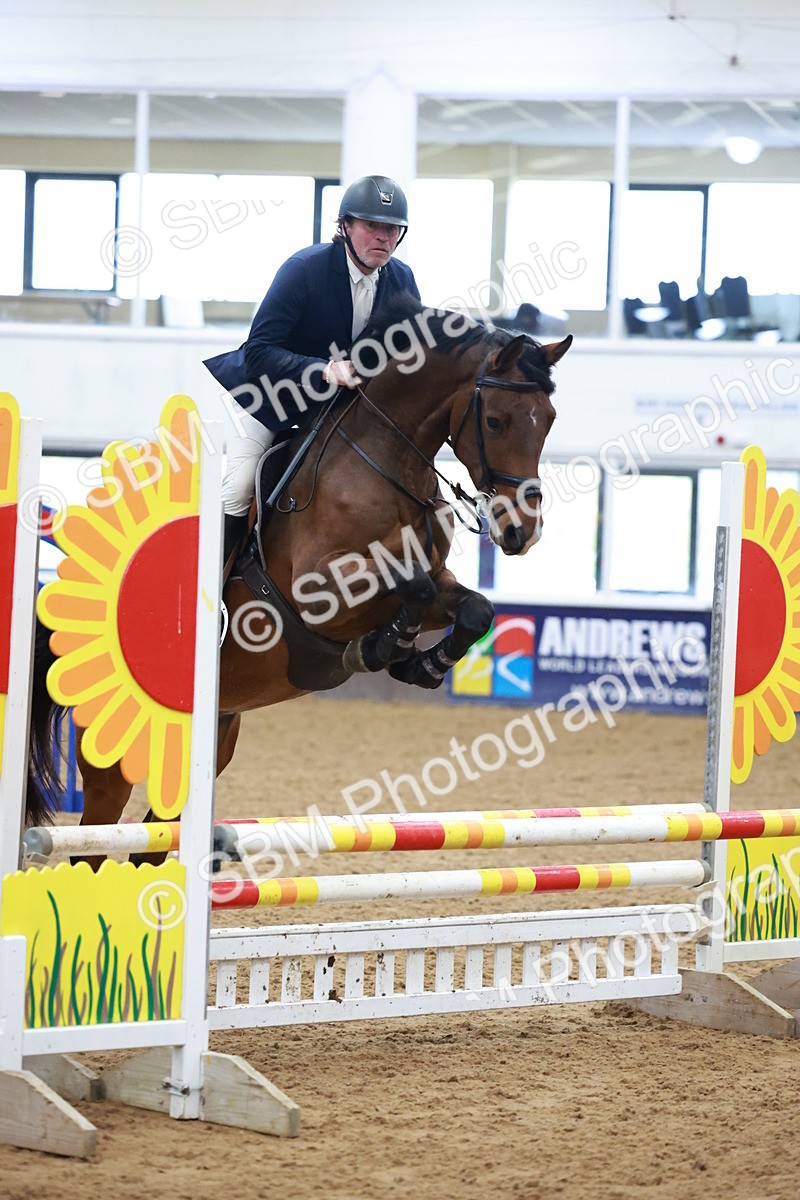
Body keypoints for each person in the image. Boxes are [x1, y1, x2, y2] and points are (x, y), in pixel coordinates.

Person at [204, 174, 421, 563]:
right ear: (345, 227)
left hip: (336, 406)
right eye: (371, 226)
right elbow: (259, 350)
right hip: (267, 395)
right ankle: (211, 593)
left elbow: (407, 354)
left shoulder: (402, 279)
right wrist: (323, 370)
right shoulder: (304, 269)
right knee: (238, 486)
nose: (382, 237)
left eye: (392, 229)